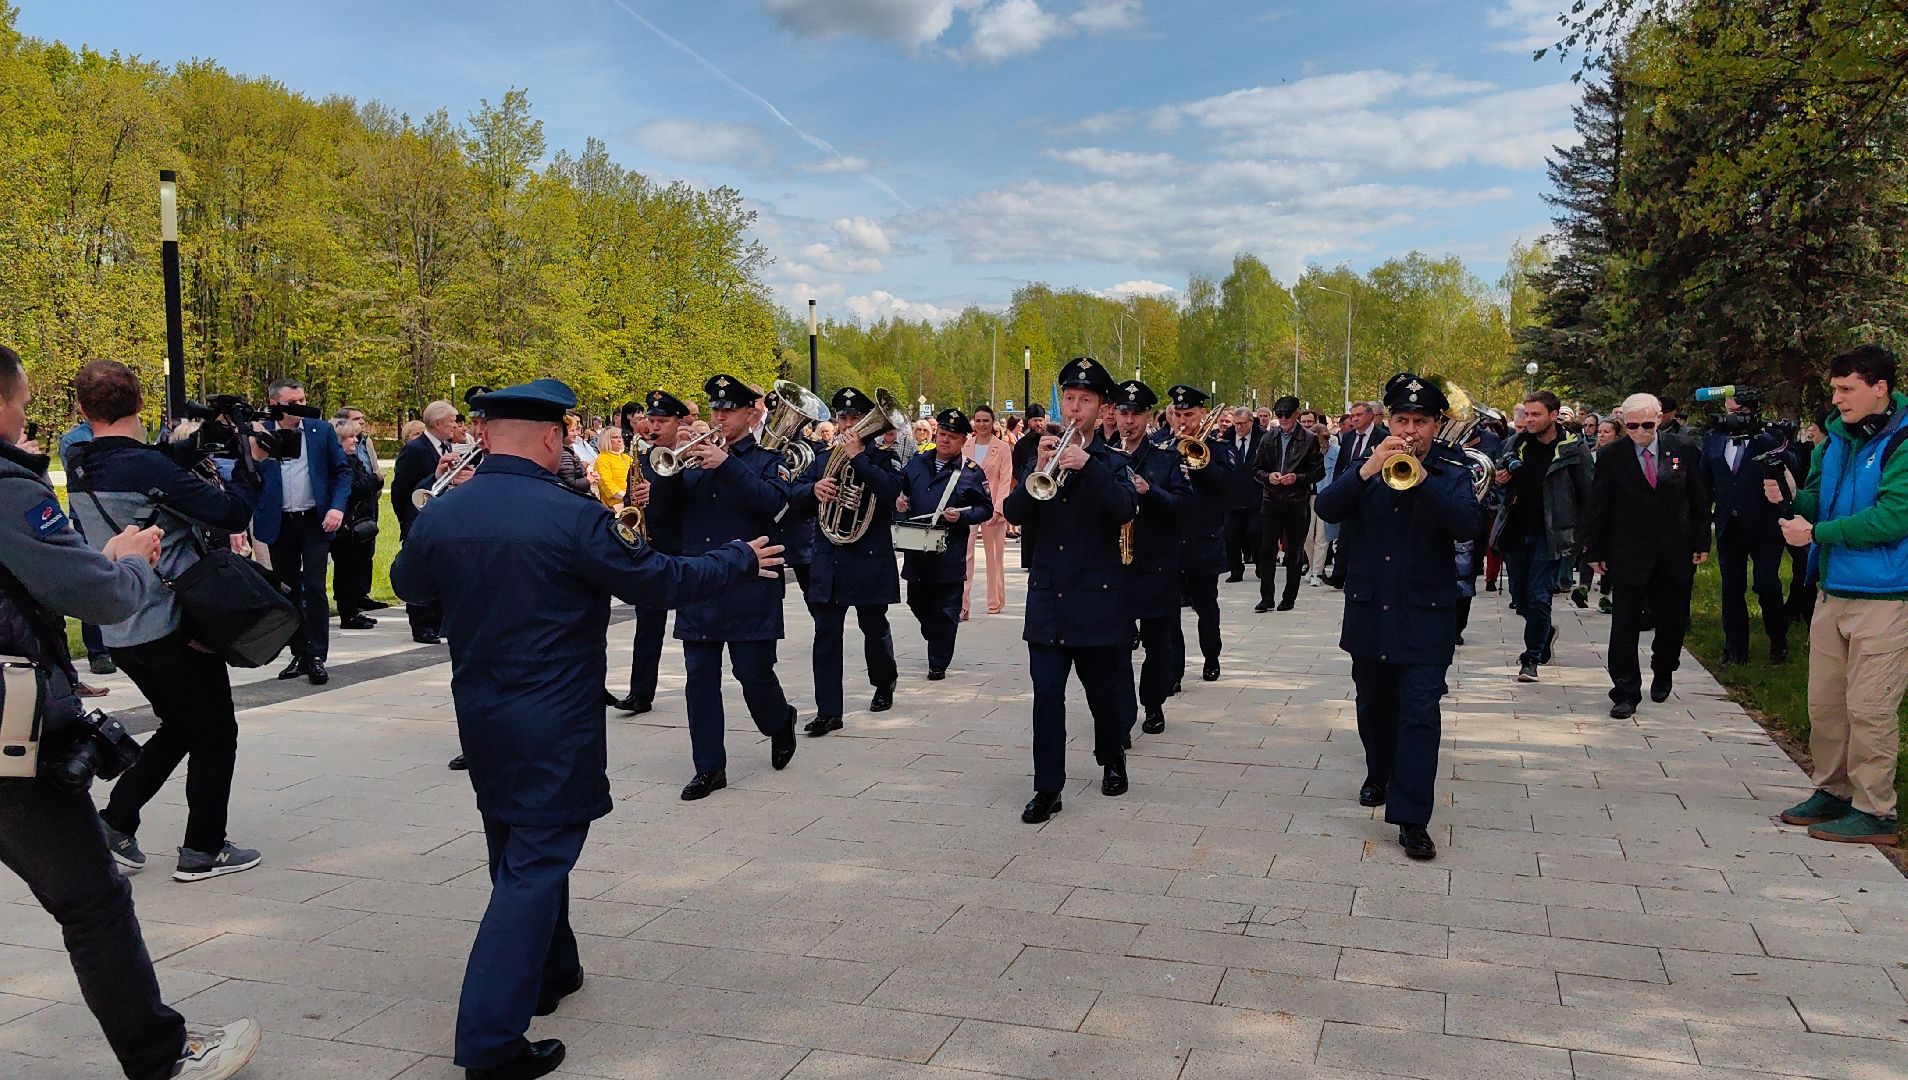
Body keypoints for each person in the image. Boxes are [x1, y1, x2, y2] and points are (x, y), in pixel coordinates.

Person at [391, 378, 781, 1080]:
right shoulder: (571, 516)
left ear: (485, 435)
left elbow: (409, 585)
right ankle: (489, 1042)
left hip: (481, 711)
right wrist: (740, 559)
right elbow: (658, 580)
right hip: (554, 717)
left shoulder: (446, 510)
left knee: (514, 843)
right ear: (550, 437)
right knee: (534, 866)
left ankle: (552, 971)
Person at [0, 348, 263, 1080]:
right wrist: (125, 557)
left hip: (87, 663)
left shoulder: (81, 462)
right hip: (24, 722)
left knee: (186, 724)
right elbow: (100, 590)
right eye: (20, 404)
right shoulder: (12, 489)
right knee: (94, 903)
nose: (25, 419)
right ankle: (161, 1054)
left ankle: (126, 818)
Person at [67, 360, 268, 883]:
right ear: (140, 402)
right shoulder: (148, 467)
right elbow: (231, 513)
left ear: (83, 409)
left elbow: (140, 466)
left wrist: (189, 449)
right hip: (172, 621)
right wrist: (249, 461)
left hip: (119, 621)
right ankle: (204, 848)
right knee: (215, 731)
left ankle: (115, 822)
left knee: (183, 723)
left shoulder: (80, 462)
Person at [1314, 373, 1484, 862]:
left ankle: (1412, 817)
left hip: (1425, 615)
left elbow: (1466, 525)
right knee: (1373, 706)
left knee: (1419, 714)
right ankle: (1379, 772)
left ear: (1436, 425)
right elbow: (1327, 507)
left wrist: (1424, 480)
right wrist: (1368, 469)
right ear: (1389, 421)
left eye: (1421, 422)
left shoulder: (1453, 470)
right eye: (1403, 420)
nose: (1411, 430)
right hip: (1370, 610)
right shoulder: (1364, 465)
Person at [1768, 345, 1908, 846]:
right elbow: (1818, 500)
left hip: (1886, 597)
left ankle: (1876, 811)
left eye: (1847, 389)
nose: (1837, 398)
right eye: (1834, 388)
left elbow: (1894, 517)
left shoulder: (1903, 441)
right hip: (1831, 592)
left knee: (1870, 709)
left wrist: (1818, 533)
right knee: (1826, 705)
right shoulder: (1835, 440)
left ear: (1880, 388)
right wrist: (1791, 496)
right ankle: (1832, 791)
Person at [648, 375, 800, 801]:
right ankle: (709, 767)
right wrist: (670, 469)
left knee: (752, 674)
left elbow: (775, 505)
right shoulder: (691, 462)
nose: (719, 417)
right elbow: (661, 518)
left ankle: (779, 720)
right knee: (699, 679)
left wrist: (727, 464)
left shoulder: (768, 459)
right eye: (715, 409)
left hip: (751, 584)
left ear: (750, 414)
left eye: (728, 410)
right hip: (700, 583)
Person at [1003, 357, 1138, 824]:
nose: (1075, 408)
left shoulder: (1113, 463)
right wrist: (1038, 467)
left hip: (1095, 600)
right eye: (1070, 399)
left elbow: (1124, 510)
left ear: (1102, 410)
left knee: (1102, 695)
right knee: (1046, 697)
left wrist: (1089, 466)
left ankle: (1112, 757)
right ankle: (1048, 787)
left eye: (1085, 400)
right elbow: (1014, 513)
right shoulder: (1040, 455)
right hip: (1048, 600)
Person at [1583, 394, 1710, 719]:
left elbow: (1698, 497)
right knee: (1624, 624)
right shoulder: (1612, 455)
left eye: (1647, 424)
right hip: (1628, 551)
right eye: (1632, 425)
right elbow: (1599, 504)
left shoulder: (1682, 448)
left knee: (1672, 620)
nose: (1640, 431)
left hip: (1675, 550)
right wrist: (1595, 550)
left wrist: (1701, 542)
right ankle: (1625, 691)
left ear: (1659, 418)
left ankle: (1664, 667)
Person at [803, 388, 900, 736]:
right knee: (826, 635)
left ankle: (884, 681)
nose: (847, 425)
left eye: (853, 418)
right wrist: (813, 491)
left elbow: (890, 491)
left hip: (867, 558)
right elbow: (794, 496)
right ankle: (828, 711)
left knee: (873, 627)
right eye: (842, 418)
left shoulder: (884, 457)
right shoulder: (821, 459)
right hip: (830, 558)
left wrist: (859, 458)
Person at [254, 378, 352, 687]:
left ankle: (317, 654)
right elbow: (248, 475)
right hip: (279, 521)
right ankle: (299, 651)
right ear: (274, 404)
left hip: (314, 520)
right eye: (292, 402)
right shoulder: (261, 433)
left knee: (314, 585)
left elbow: (342, 471)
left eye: (302, 400)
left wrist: (337, 508)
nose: (299, 407)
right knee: (288, 588)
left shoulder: (319, 431)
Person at [1492, 390, 1593, 682]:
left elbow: (1588, 494)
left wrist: (1586, 537)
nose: (1529, 420)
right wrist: (1501, 479)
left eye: (1536, 414)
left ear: (1553, 415)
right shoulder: (1517, 442)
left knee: (1539, 597)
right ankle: (1544, 632)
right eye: (1526, 414)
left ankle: (1530, 659)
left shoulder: (1573, 448)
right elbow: (1502, 476)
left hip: (1550, 534)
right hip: (1515, 530)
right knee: (1521, 599)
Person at [1112, 381, 1189, 735]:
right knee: (1114, 645)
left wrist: (1150, 490)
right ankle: (1121, 711)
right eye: (1124, 413)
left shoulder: (1166, 456)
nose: (1129, 421)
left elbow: (1184, 504)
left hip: (1156, 563)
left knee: (1158, 644)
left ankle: (1153, 703)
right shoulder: (1104, 456)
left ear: (1147, 417)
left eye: (1136, 414)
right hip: (1115, 566)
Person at [899, 409, 994, 681]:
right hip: (918, 550)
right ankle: (936, 636)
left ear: (964, 440)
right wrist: (900, 502)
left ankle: (938, 662)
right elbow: (902, 490)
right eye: (942, 434)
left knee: (946, 610)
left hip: (949, 552)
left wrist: (962, 516)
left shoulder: (971, 472)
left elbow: (985, 508)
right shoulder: (917, 463)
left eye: (952, 437)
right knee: (917, 601)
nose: (945, 440)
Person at [1700, 387, 1791, 665]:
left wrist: (1762, 437)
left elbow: (1791, 464)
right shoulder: (1714, 438)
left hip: (1764, 524)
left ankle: (1778, 639)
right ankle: (1735, 651)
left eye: (1739, 413)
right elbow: (1706, 479)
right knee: (1731, 588)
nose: (1733, 418)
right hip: (1729, 523)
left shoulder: (1768, 438)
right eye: (1729, 411)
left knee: (1766, 584)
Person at [616, 390, 690, 715]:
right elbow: (629, 503)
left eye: (663, 421)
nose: (655, 426)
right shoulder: (643, 459)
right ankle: (640, 692)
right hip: (651, 549)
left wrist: (656, 492)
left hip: (685, 549)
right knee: (647, 624)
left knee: (693, 625)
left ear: (678, 422)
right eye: (652, 420)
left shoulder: (689, 458)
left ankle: (701, 685)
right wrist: (633, 504)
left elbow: (691, 499)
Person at [1166, 385, 1232, 684]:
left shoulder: (1217, 448)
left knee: (1206, 606)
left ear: (1203, 415)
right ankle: (1174, 671)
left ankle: (1211, 656)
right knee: (1170, 611)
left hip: (1204, 538)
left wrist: (1200, 463)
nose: (1183, 421)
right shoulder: (1163, 447)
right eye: (1178, 415)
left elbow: (1227, 485)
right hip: (1171, 540)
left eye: (1189, 415)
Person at [391, 401, 466, 645]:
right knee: (420, 570)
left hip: (443, 518)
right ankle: (422, 625)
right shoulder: (415, 449)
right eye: (452, 421)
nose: (456, 425)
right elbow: (401, 489)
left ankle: (438, 621)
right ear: (437, 423)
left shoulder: (446, 446)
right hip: (419, 518)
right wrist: (406, 519)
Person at [1252, 395, 1325, 612]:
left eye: (1287, 414)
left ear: (1296, 414)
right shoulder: (1268, 438)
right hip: (1271, 499)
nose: (1283, 419)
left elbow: (1318, 472)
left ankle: (1289, 597)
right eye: (1280, 415)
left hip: (1297, 501)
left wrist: (1297, 478)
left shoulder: (1309, 439)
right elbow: (1256, 470)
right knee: (1267, 549)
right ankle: (1266, 597)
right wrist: (1269, 477)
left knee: (1294, 551)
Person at [330, 418, 383, 630]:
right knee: (346, 570)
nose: (355, 441)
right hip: (346, 525)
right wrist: (375, 480)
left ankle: (354, 610)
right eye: (350, 437)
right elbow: (351, 488)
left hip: (359, 520)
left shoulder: (353, 459)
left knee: (356, 567)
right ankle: (348, 613)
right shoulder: (340, 463)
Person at [961, 404, 1013, 619]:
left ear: (993, 422)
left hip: (993, 506)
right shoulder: (965, 445)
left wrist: (999, 508)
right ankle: (962, 604)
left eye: (986, 420)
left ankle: (995, 600)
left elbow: (1006, 479)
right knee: (965, 554)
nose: (982, 424)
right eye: (978, 420)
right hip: (969, 506)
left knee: (994, 556)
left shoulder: (1002, 448)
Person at [1220, 406, 1263, 581]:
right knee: (1231, 536)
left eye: (1243, 423)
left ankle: (1261, 567)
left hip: (1255, 496)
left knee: (1256, 533)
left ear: (1251, 422)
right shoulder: (1226, 440)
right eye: (1236, 423)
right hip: (1231, 498)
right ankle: (1236, 570)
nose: (1239, 427)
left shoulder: (1262, 439)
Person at [591, 427, 631, 510]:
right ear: (606, 440)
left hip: (631, 499)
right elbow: (607, 484)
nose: (619, 440)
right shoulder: (602, 459)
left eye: (620, 437)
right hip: (615, 504)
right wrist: (626, 497)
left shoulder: (627, 458)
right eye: (615, 437)